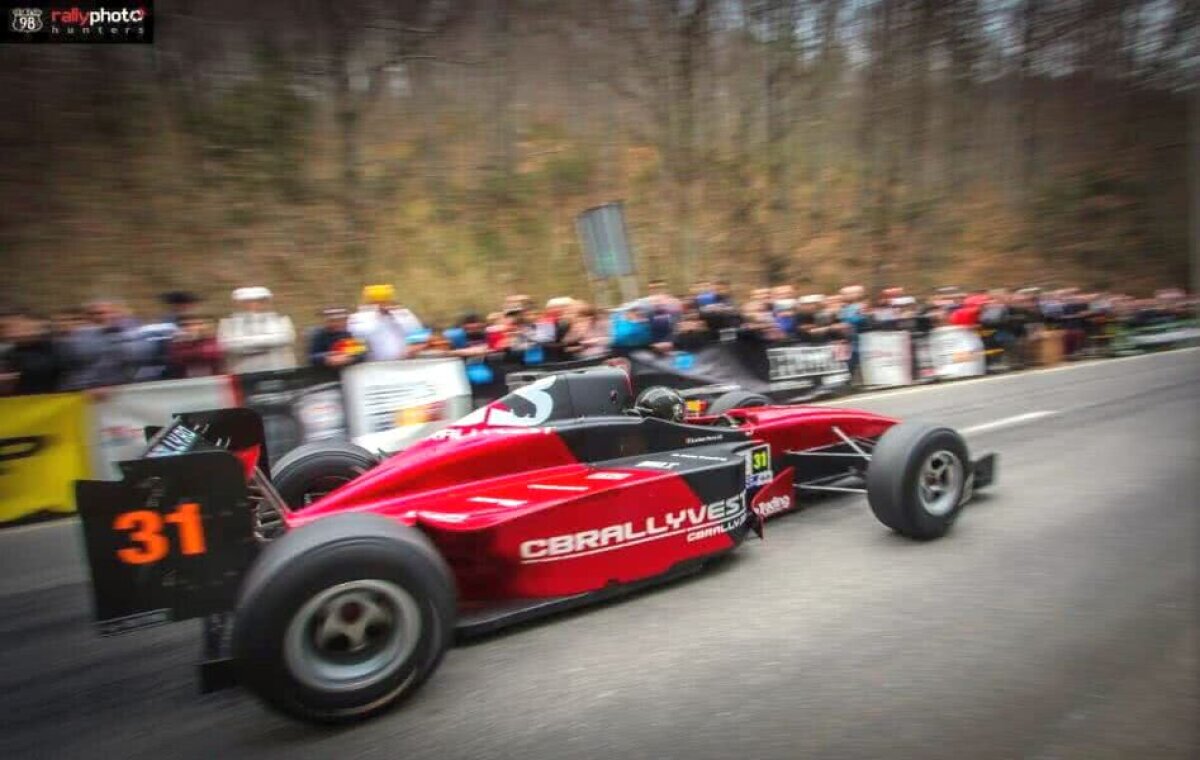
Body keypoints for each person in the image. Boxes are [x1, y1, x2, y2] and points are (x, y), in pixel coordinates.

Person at [217, 287, 297, 373]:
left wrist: (246, 343)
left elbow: (285, 339)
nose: (254, 304)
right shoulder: (228, 323)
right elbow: (230, 345)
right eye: (248, 302)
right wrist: (270, 342)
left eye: (259, 301)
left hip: (279, 369)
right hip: (244, 371)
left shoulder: (280, 320)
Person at [349, 284, 423, 362]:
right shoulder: (358, 318)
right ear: (369, 303)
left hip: (405, 364)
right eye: (377, 303)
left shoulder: (404, 314)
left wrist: (415, 346)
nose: (382, 305)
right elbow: (356, 342)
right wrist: (376, 316)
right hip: (373, 366)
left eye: (385, 301)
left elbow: (419, 337)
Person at [1, 309, 63, 395]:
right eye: (6, 327)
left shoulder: (57, 348)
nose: (11, 330)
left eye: (18, 325)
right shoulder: (8, 353)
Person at [165, 313, 224, 378]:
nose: (192, 327)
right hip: (187, 383)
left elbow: (211, 353)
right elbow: (176, 358)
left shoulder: (214, 341)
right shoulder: (178, 344)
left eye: (199, 324)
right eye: (187, 325)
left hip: (214, 381)